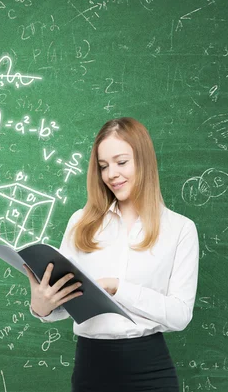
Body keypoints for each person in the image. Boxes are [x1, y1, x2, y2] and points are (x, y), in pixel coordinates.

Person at [25, 117, 199, 392]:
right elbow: (66, 304)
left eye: (121, 162)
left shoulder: (180, 229)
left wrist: (118, 288)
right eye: (104, 166)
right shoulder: (81, 223)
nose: (111, 174)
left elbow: (180, 315)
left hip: (150, 370)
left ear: (143, 160)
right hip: (91, 368)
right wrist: (42, 307)